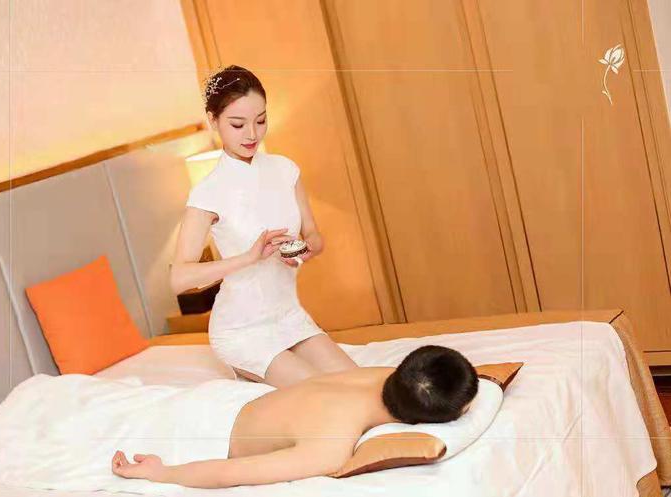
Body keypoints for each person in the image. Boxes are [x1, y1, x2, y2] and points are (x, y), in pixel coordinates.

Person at [170, 65, 357, 388]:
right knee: (326, 394)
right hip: (241, 329)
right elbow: (180, 279)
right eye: (237, 124)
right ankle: (249, 368)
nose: (252, 135)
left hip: (289, 316)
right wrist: (249, 257)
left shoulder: (285, 170)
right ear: (213, 121)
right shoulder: (208, 192)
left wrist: (306, 248)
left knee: (360, 383)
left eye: (260, 120)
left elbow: (314, 235)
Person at [111, 345, 479, 488]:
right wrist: (162, 473)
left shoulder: (386, 375)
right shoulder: (332, 444)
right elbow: (231, 473)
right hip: (206, 431)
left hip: (225, 399)